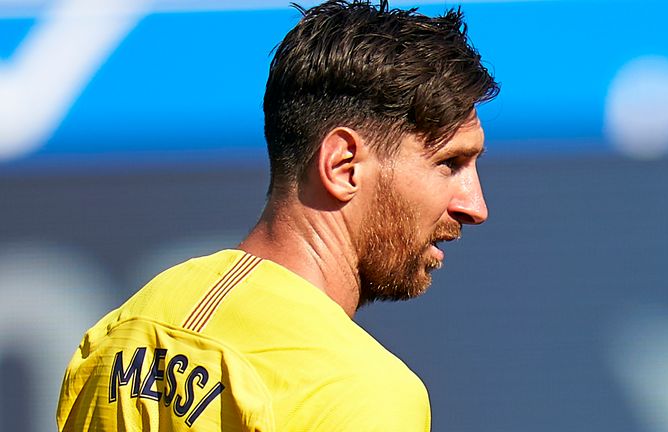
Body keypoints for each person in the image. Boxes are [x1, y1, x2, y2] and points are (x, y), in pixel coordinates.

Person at [56, 0, 499, 430]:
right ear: (342, 166)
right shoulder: (359, 391)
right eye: (449, 163)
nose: (474, 206)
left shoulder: (122, 330)